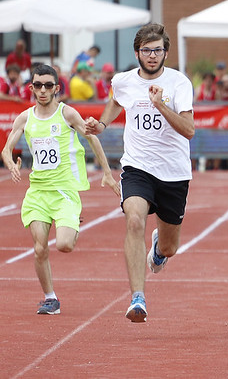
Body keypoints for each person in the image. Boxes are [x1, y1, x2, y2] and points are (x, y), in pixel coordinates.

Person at [84, 23, 195, 322]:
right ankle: (137, 298)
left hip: (173, 172)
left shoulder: (179, 83)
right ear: (137, 53)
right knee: (133, 219)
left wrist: (160, 106)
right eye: (146, 50)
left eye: (157, 50)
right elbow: (115, 102)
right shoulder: (123, 81)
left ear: (165, 52)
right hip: (138, 166)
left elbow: (189, 130)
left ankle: (159, 249)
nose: (152, 55)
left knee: (171, 247)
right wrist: (103, 125)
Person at [1, 64, 119, 315]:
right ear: (31, 88)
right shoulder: (25, 117)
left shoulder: (67, 114)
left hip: (64, 190)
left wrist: (108, 174)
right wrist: (11, 164)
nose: (42, 90)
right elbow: (6, 148)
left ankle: (72, 220)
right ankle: (50, 298)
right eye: (37, 86)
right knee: (40, 247)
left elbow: (92, 138)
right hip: (37, 193)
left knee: (64, 245)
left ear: (56, 88)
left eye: (48, 85)